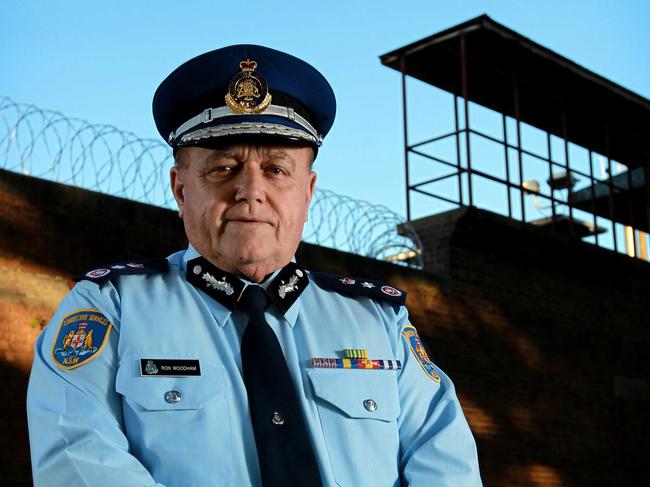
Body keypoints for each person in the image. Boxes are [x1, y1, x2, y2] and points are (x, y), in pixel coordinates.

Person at [27, 44, 482, 486]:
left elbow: (446, 465)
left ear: (307, 192)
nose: (250, 190)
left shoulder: (379, 323)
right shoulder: (109, 309)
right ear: (181, 189)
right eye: (223, 168)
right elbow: (77, 456)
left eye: (277, 169)